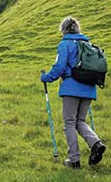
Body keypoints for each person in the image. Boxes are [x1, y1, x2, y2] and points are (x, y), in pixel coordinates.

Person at [40, 16, 106, 169]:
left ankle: (74, 160)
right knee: (80, 121)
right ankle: (96, 143)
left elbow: (59, 67)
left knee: (69, 122)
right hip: (89, 87)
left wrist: (46, 77)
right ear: (77, 29)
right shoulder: (87, 44)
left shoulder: (65, 44)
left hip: (71, 88)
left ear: (63, 30)